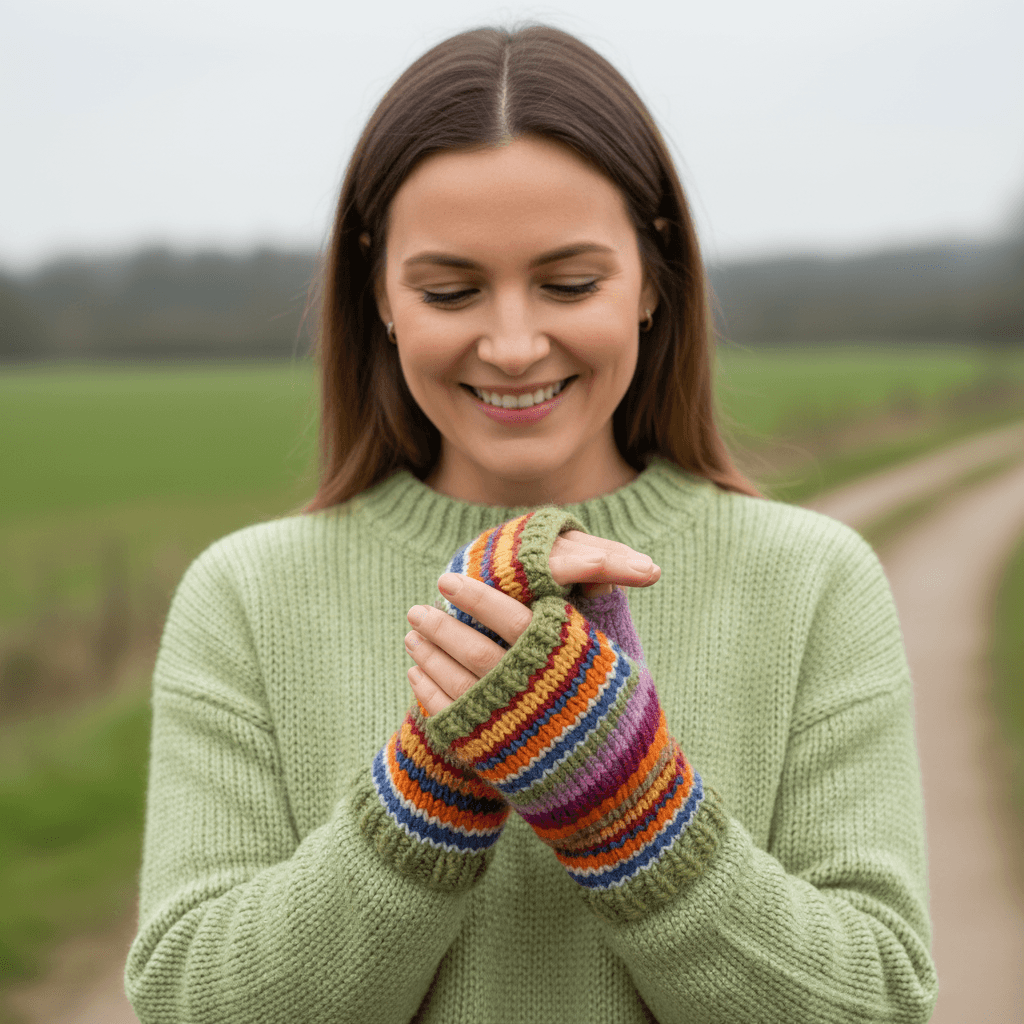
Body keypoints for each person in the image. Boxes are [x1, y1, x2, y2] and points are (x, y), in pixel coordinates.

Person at [125, 24, 938, 1023]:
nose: (512, 343)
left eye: (569, 283)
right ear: (379, 293)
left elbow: (879, 1001)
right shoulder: (244, 596)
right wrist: (428, 788)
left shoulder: (814, 580)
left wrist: (622, 797)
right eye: (449, 289)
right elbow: (191, 1003)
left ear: (653, 277)